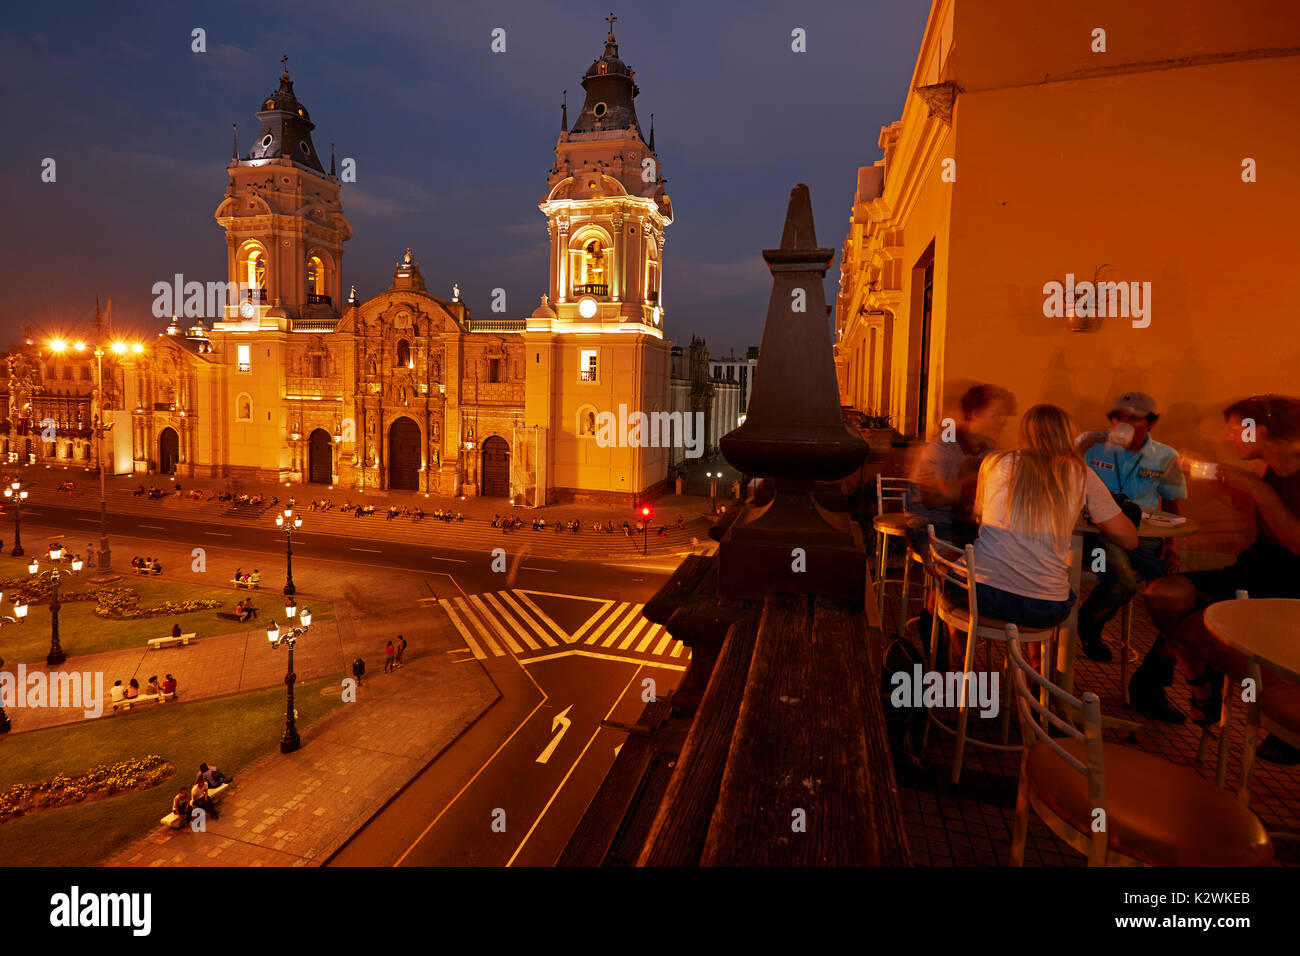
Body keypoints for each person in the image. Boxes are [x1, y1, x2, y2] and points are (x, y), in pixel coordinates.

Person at [1134, 395, 1300, 759]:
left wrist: (1254, 487)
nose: (1228, 438)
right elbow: (1255, 512)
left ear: (1262, 430)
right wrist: (1231, 487)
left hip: (1289, 586)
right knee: (1163, 594)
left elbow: (1294, 539)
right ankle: (1202, 688)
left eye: (1234, 429)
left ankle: (1287, 713)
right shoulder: (1273, 468)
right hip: (1253, 569)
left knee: (1196, 628)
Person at [945, 404, 1137, 647]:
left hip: (977, 594)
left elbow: (982, 516)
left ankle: (960, 664)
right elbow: (1130, 539)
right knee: (1050, 589)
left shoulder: (994, 462)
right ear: (1067, 435)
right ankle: (1037, 672)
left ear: (1024, 433)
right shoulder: (1080, 473)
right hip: (1042, 608)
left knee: (945, 580)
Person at [1075, 392, 1187, 662]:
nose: (1124, 423)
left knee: (1175, 596)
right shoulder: (1091, 446)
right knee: (1120, 582)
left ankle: (1155, 675)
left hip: (1146, 537)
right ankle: (1087, 626)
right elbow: (1062, 475)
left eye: (1134, 419)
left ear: (1150, 422)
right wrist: (1080, 445)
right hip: (1097, 535)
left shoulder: (1165, 455)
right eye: (1119, 418)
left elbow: (1171, 501)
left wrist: (1172, 544)